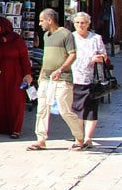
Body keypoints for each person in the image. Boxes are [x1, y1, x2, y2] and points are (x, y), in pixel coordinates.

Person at [27, 8, 85, 151]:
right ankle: (40, 140)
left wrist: (60, 69)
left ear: (49, 20)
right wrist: (41, 75)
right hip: (46, 78)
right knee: (42, 109)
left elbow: (72, 55)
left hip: (63, 78)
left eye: (41, 20)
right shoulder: (47, 36)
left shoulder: (66, 35)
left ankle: (79, 137)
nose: (40, 24)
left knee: (65, 109)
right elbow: (47, 57)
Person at [0, 16, 33, 138]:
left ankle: (15, 129)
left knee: (15, 101)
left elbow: (24, 58)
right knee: (0, 101)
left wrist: (27, 74)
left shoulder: (16, 40)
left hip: (15, 75)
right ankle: (1, 127)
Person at [69, 11, 106, 150]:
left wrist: (99, 58)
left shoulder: (96, 38)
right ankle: (79, 138)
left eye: (83, 23)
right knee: (76, 109)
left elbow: (104, 55)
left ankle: (88, 139)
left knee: (90, 109)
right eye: (77, 23)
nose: (80, 25)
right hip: (74, 77)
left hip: (92, 79)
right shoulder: (70, 37)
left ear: (88, 24)